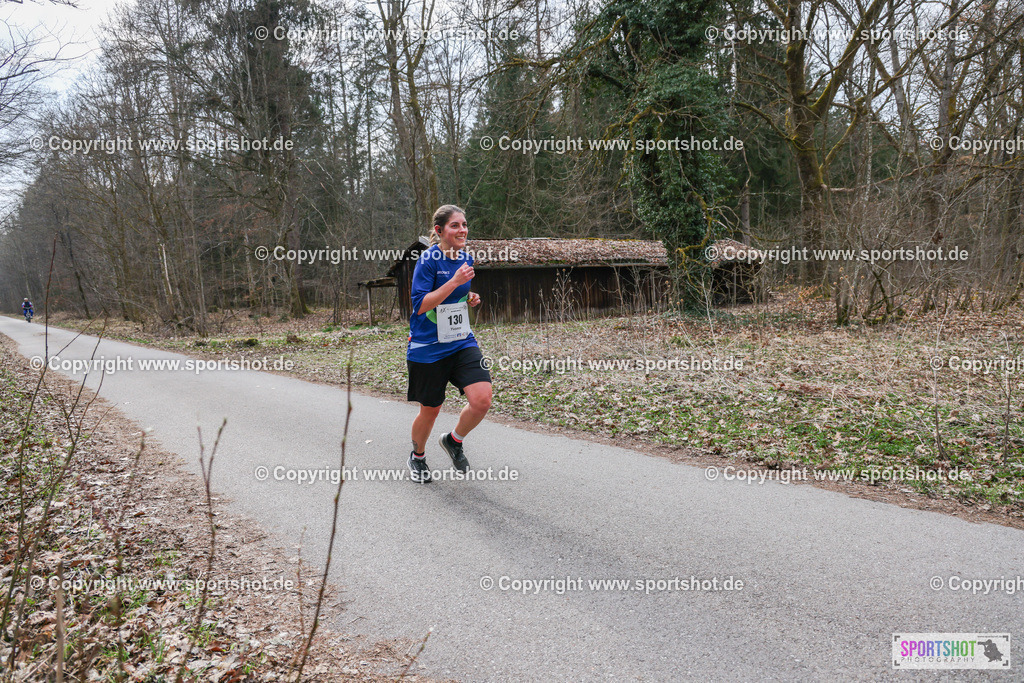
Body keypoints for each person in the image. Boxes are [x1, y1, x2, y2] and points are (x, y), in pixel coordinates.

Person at [406, 205, 492, 483]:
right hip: (428, 348)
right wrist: (454, 282)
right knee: (430, 410)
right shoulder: (428, 260)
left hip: (460, 341)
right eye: (455, 225)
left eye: (465, 224)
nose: (463, 230)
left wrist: (469, 297)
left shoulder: (465, 259)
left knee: (482, 400)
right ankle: (417, 456)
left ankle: (454, 440)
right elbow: (420, 304)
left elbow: (453, 296)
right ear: (440, 231)